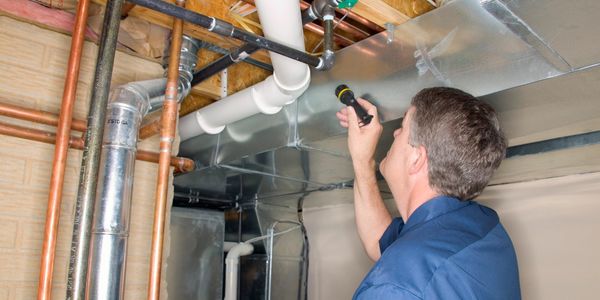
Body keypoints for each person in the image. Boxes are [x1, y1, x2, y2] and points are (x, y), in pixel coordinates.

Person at [336, 87, 521, 299]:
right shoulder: (484, 225)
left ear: (417, 158)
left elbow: (407, 271)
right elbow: (379, 241)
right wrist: (362, 160)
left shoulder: (394, 288)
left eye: (402, 127)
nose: (395, 133)